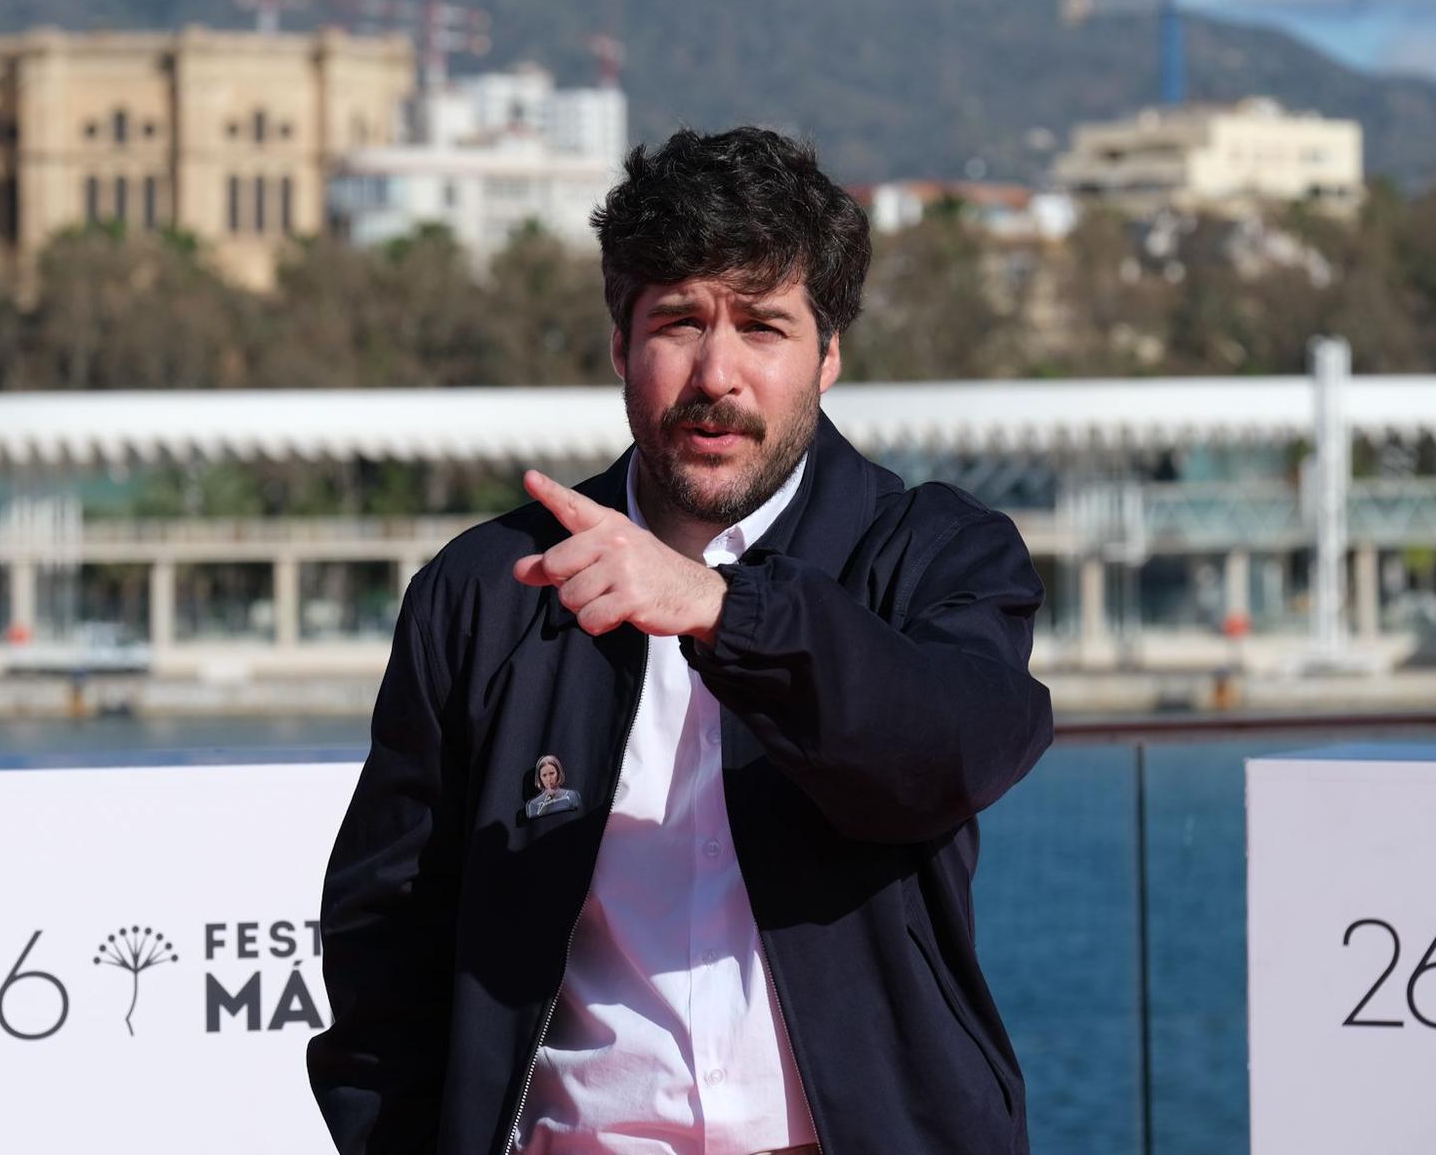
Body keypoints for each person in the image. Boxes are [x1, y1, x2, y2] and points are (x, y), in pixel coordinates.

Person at [308, 126, 1054, 1154]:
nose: (717, 372)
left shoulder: (933, 551)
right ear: (619, 345)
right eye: (676, 322)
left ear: (828, 354)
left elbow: (952, 747)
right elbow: (382, 940)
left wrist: (719, 609)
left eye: (762, 326)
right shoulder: (483, 593)